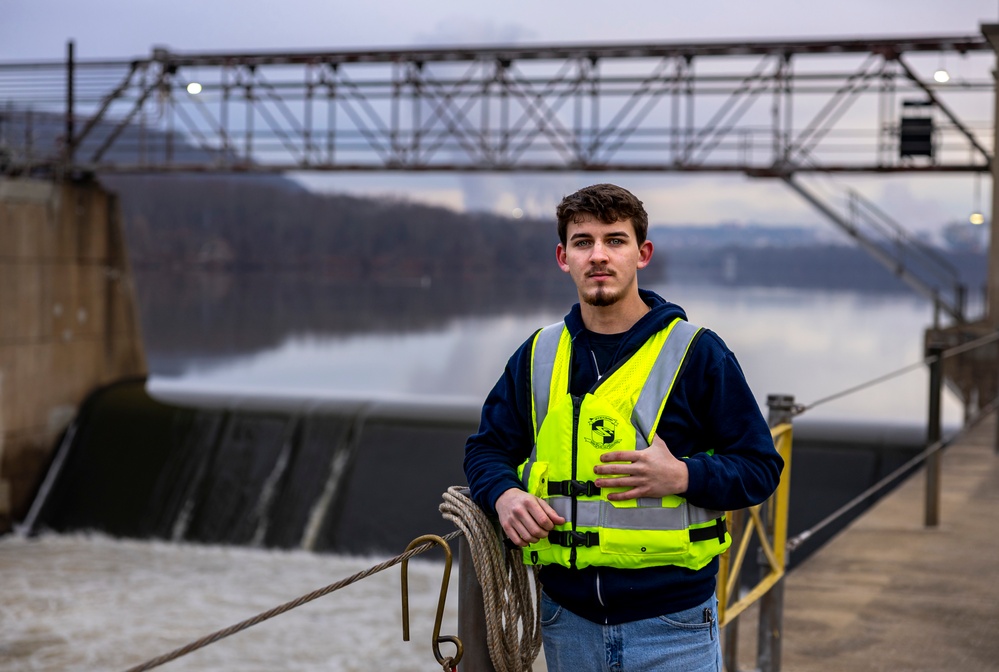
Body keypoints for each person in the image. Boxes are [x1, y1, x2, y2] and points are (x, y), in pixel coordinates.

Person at [463, 183, 785, 672]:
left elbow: (761, 468)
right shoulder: (538, 356)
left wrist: (683, 476)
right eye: (583, 241)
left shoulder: (697, 353)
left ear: (642, 253)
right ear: (562, 256)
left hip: (673, 628)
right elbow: (486, 450)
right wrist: (503, 495)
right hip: (565, 623)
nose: (598, 256)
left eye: (615, 240)